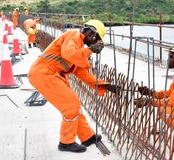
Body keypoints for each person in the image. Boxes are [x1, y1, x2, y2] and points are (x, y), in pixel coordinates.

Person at [28, 19, 120, 153]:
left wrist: (105, 85)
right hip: (44, 74)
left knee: (74, 106)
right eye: (97, 39)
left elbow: (82, 73)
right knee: (71, 105)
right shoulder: (73, 36)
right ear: (91, 33)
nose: (95, 42)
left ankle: (87, 137)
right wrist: (90, 50)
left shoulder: (78, 49)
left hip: (51, 75)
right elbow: (69, 54)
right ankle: (66, 142)